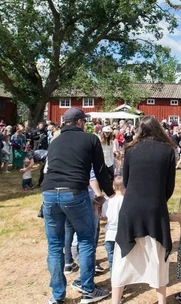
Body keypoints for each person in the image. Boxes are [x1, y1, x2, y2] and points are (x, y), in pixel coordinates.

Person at [42, 107, 114, 304]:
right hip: (74, 192)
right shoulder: (90, 139)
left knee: (54, 246)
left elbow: (49, 169)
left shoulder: (55, 141)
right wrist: (111, 194)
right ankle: (88, 290)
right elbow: (100, 170)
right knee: (86, 240)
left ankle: (57, 297)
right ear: (80, 122)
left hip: (49, 193)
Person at [111, 116, 177, 304]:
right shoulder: (167, 150)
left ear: (141, 129)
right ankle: (161, 301)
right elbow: (169, 185)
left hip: (132, 206)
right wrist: (157, 200)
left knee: (123, 258)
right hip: (155, 207)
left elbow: (127, 180)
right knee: (157, 256)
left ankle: (115, 301)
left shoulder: (131, 149)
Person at [101, 176, 125, 276]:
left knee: (112, 261)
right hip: (121, 234)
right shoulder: (125, 200)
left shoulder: (107, 201)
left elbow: (103, 217)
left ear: (113, 187)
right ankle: (122, 282)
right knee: (121, 260)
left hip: (109, 235)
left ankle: (113, 280)